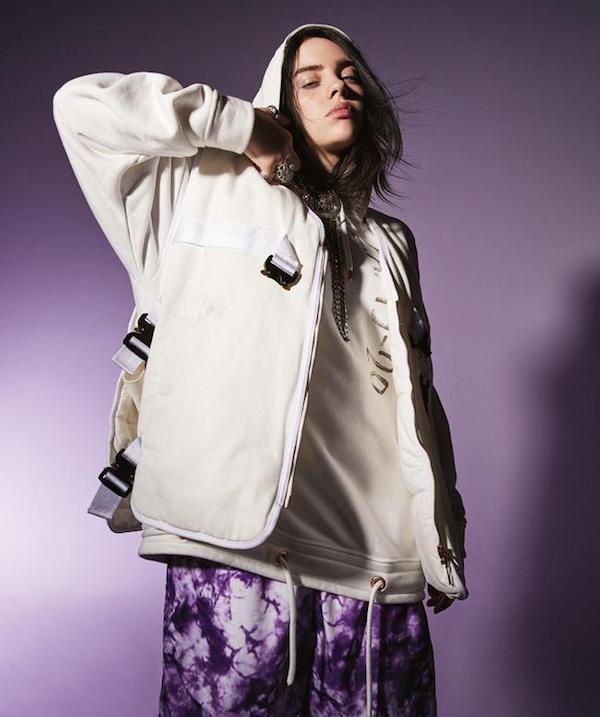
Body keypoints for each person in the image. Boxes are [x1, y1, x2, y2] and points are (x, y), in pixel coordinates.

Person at [53, 21, 468, 717]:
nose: (339, 87)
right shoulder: (194, 190)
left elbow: (417, 398)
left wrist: (439, 535)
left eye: (350, 77)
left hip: (375, 567)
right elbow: (81, 107)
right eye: (311, 80)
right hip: (235, 551)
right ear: (278, 99)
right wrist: (240, 126)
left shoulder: (392, 242)